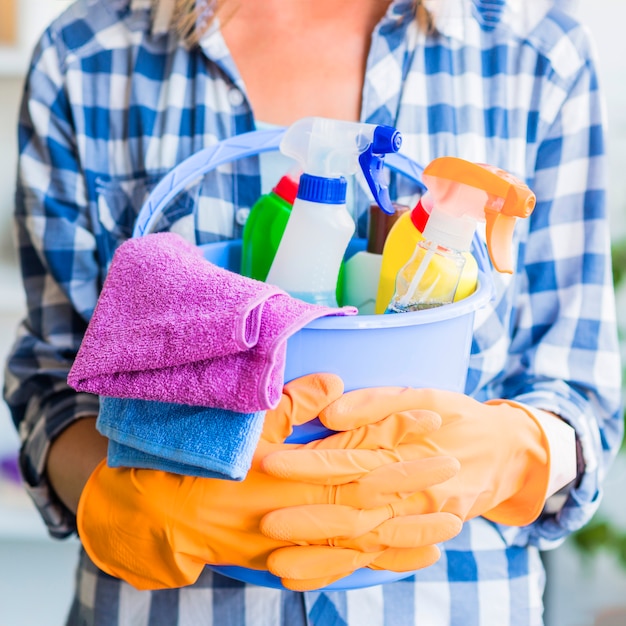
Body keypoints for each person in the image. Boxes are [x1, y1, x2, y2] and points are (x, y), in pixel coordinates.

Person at [3, 0, 623, 624]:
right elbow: (55, 378)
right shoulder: (89, 53)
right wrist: (123, 498)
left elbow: (578, 391)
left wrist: (508, 455)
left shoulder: (537, 53)